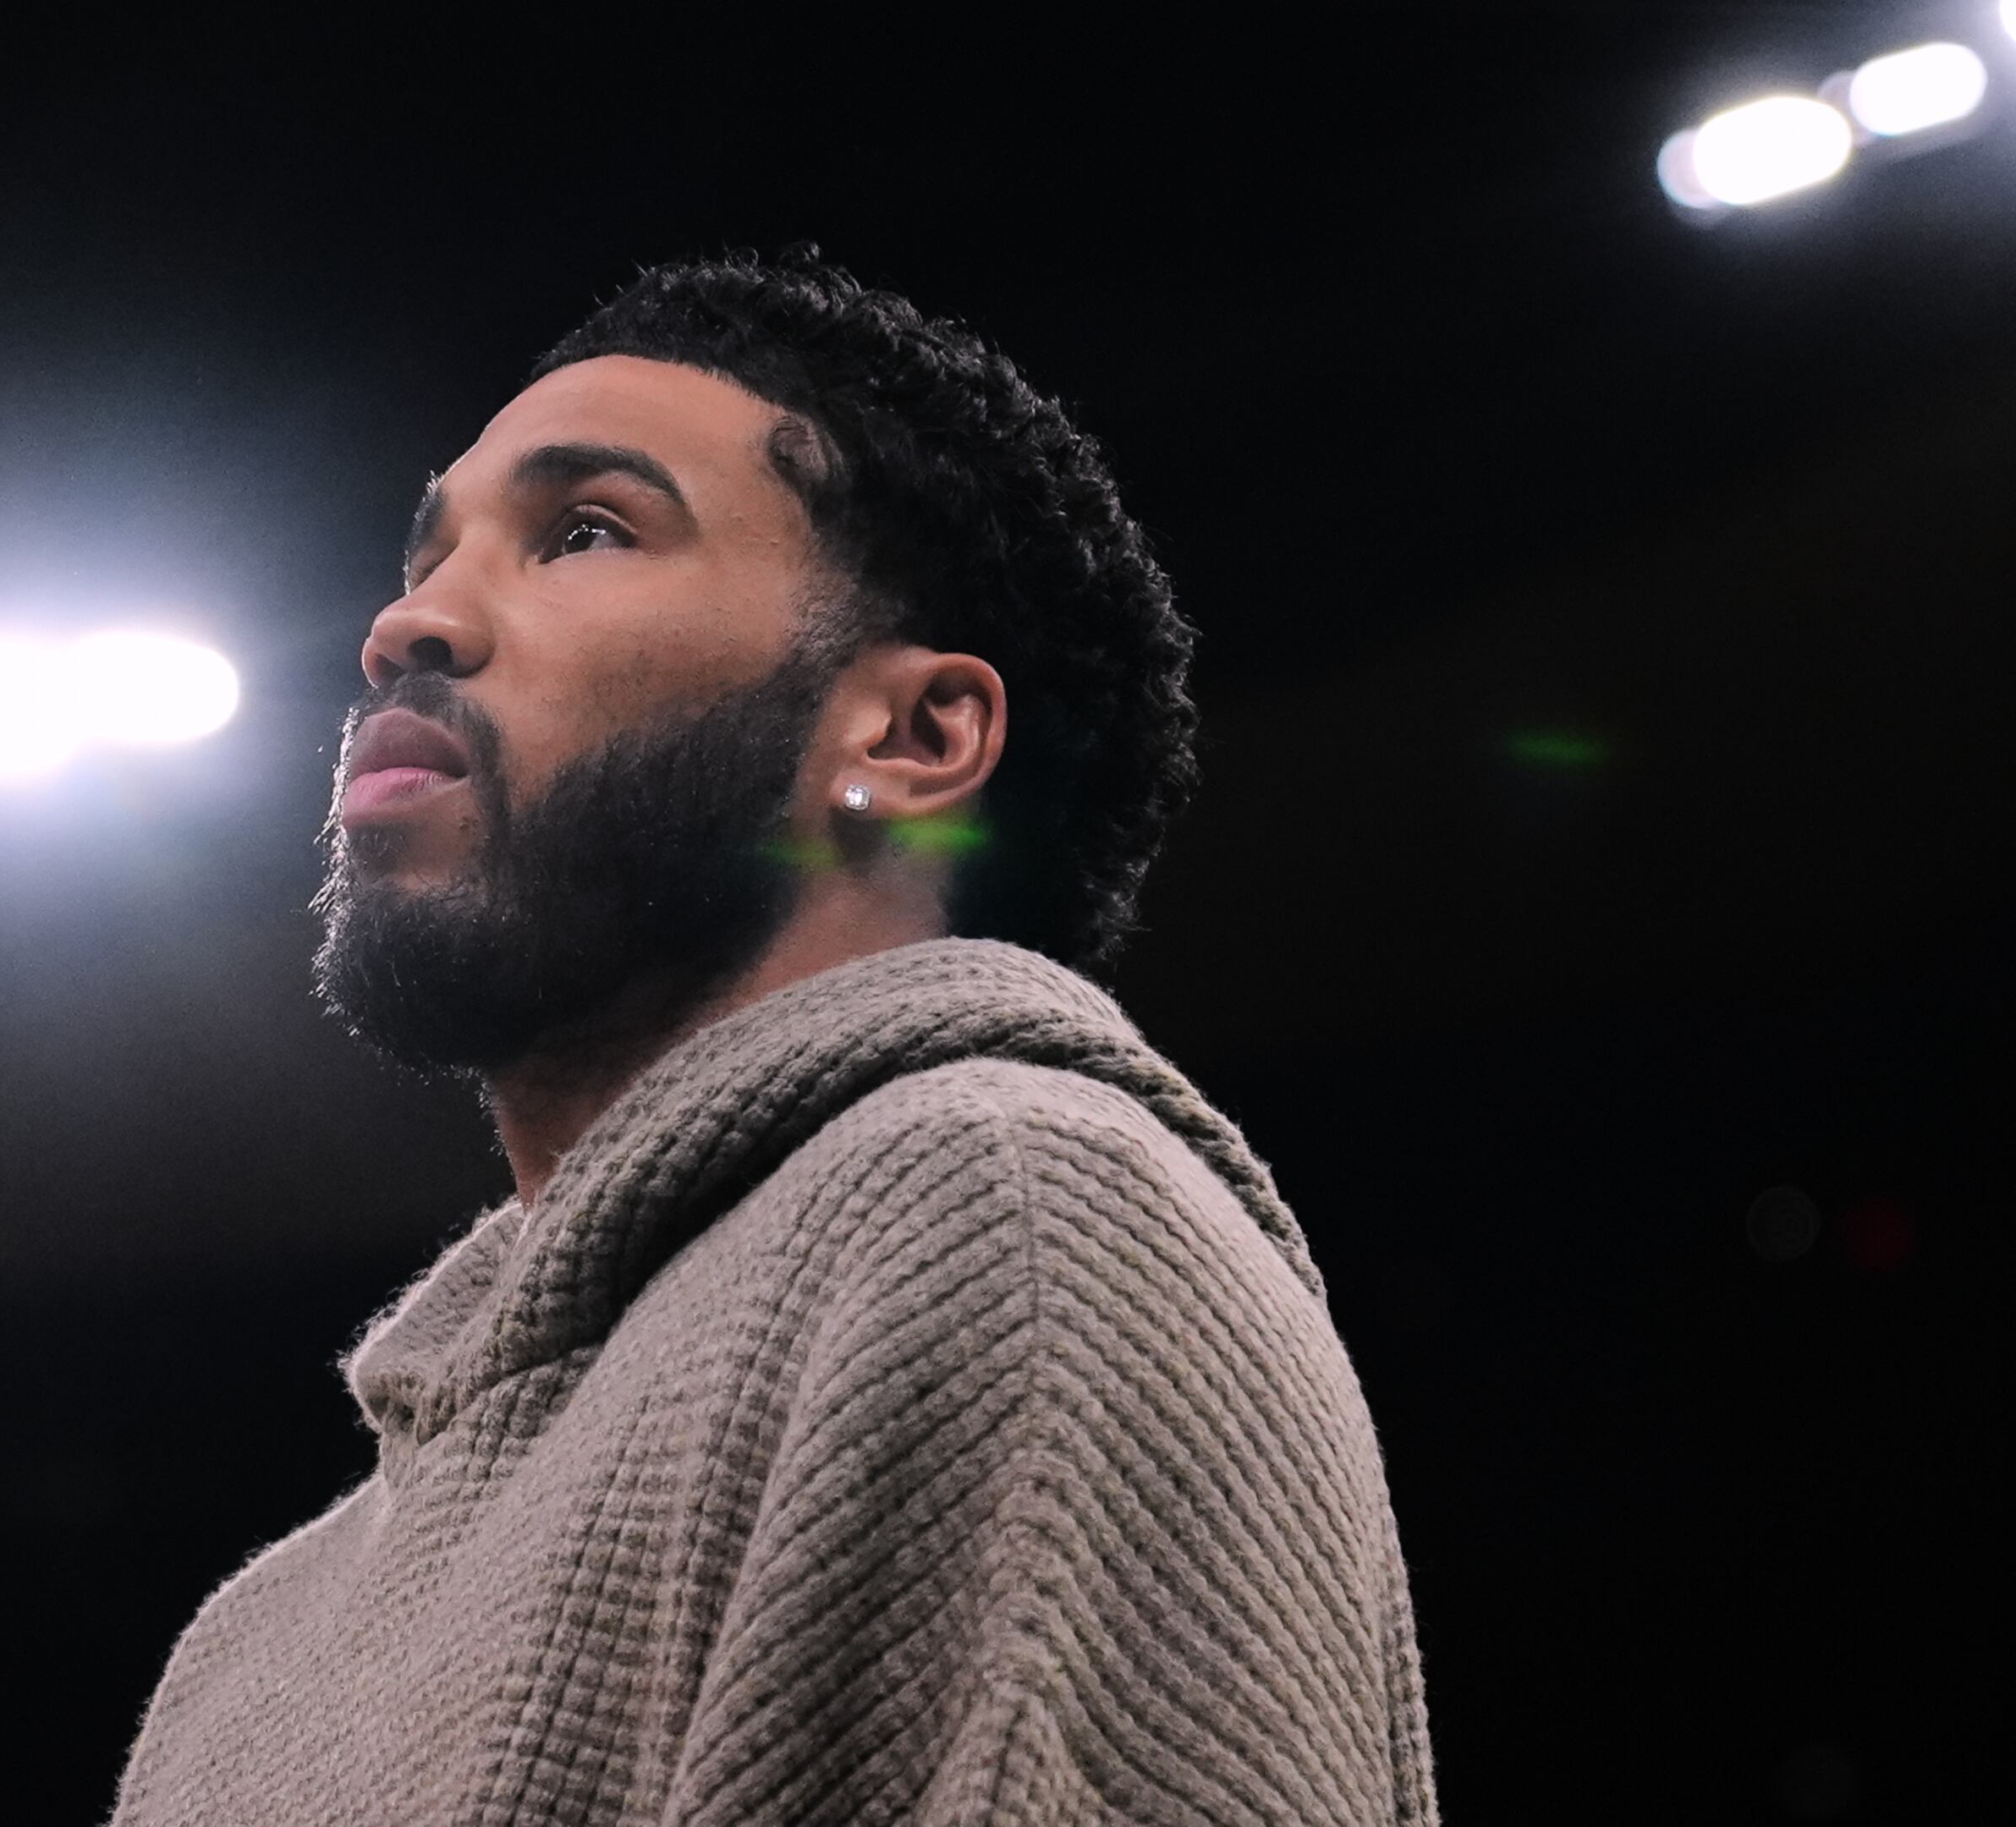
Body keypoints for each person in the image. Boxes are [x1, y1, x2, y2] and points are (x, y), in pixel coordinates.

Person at [109, 252, 1436, 1826]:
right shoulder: (249, 1644)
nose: (408, 624)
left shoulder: (1002, 1212)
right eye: (428, 552)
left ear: (911, 735)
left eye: (583, 531)